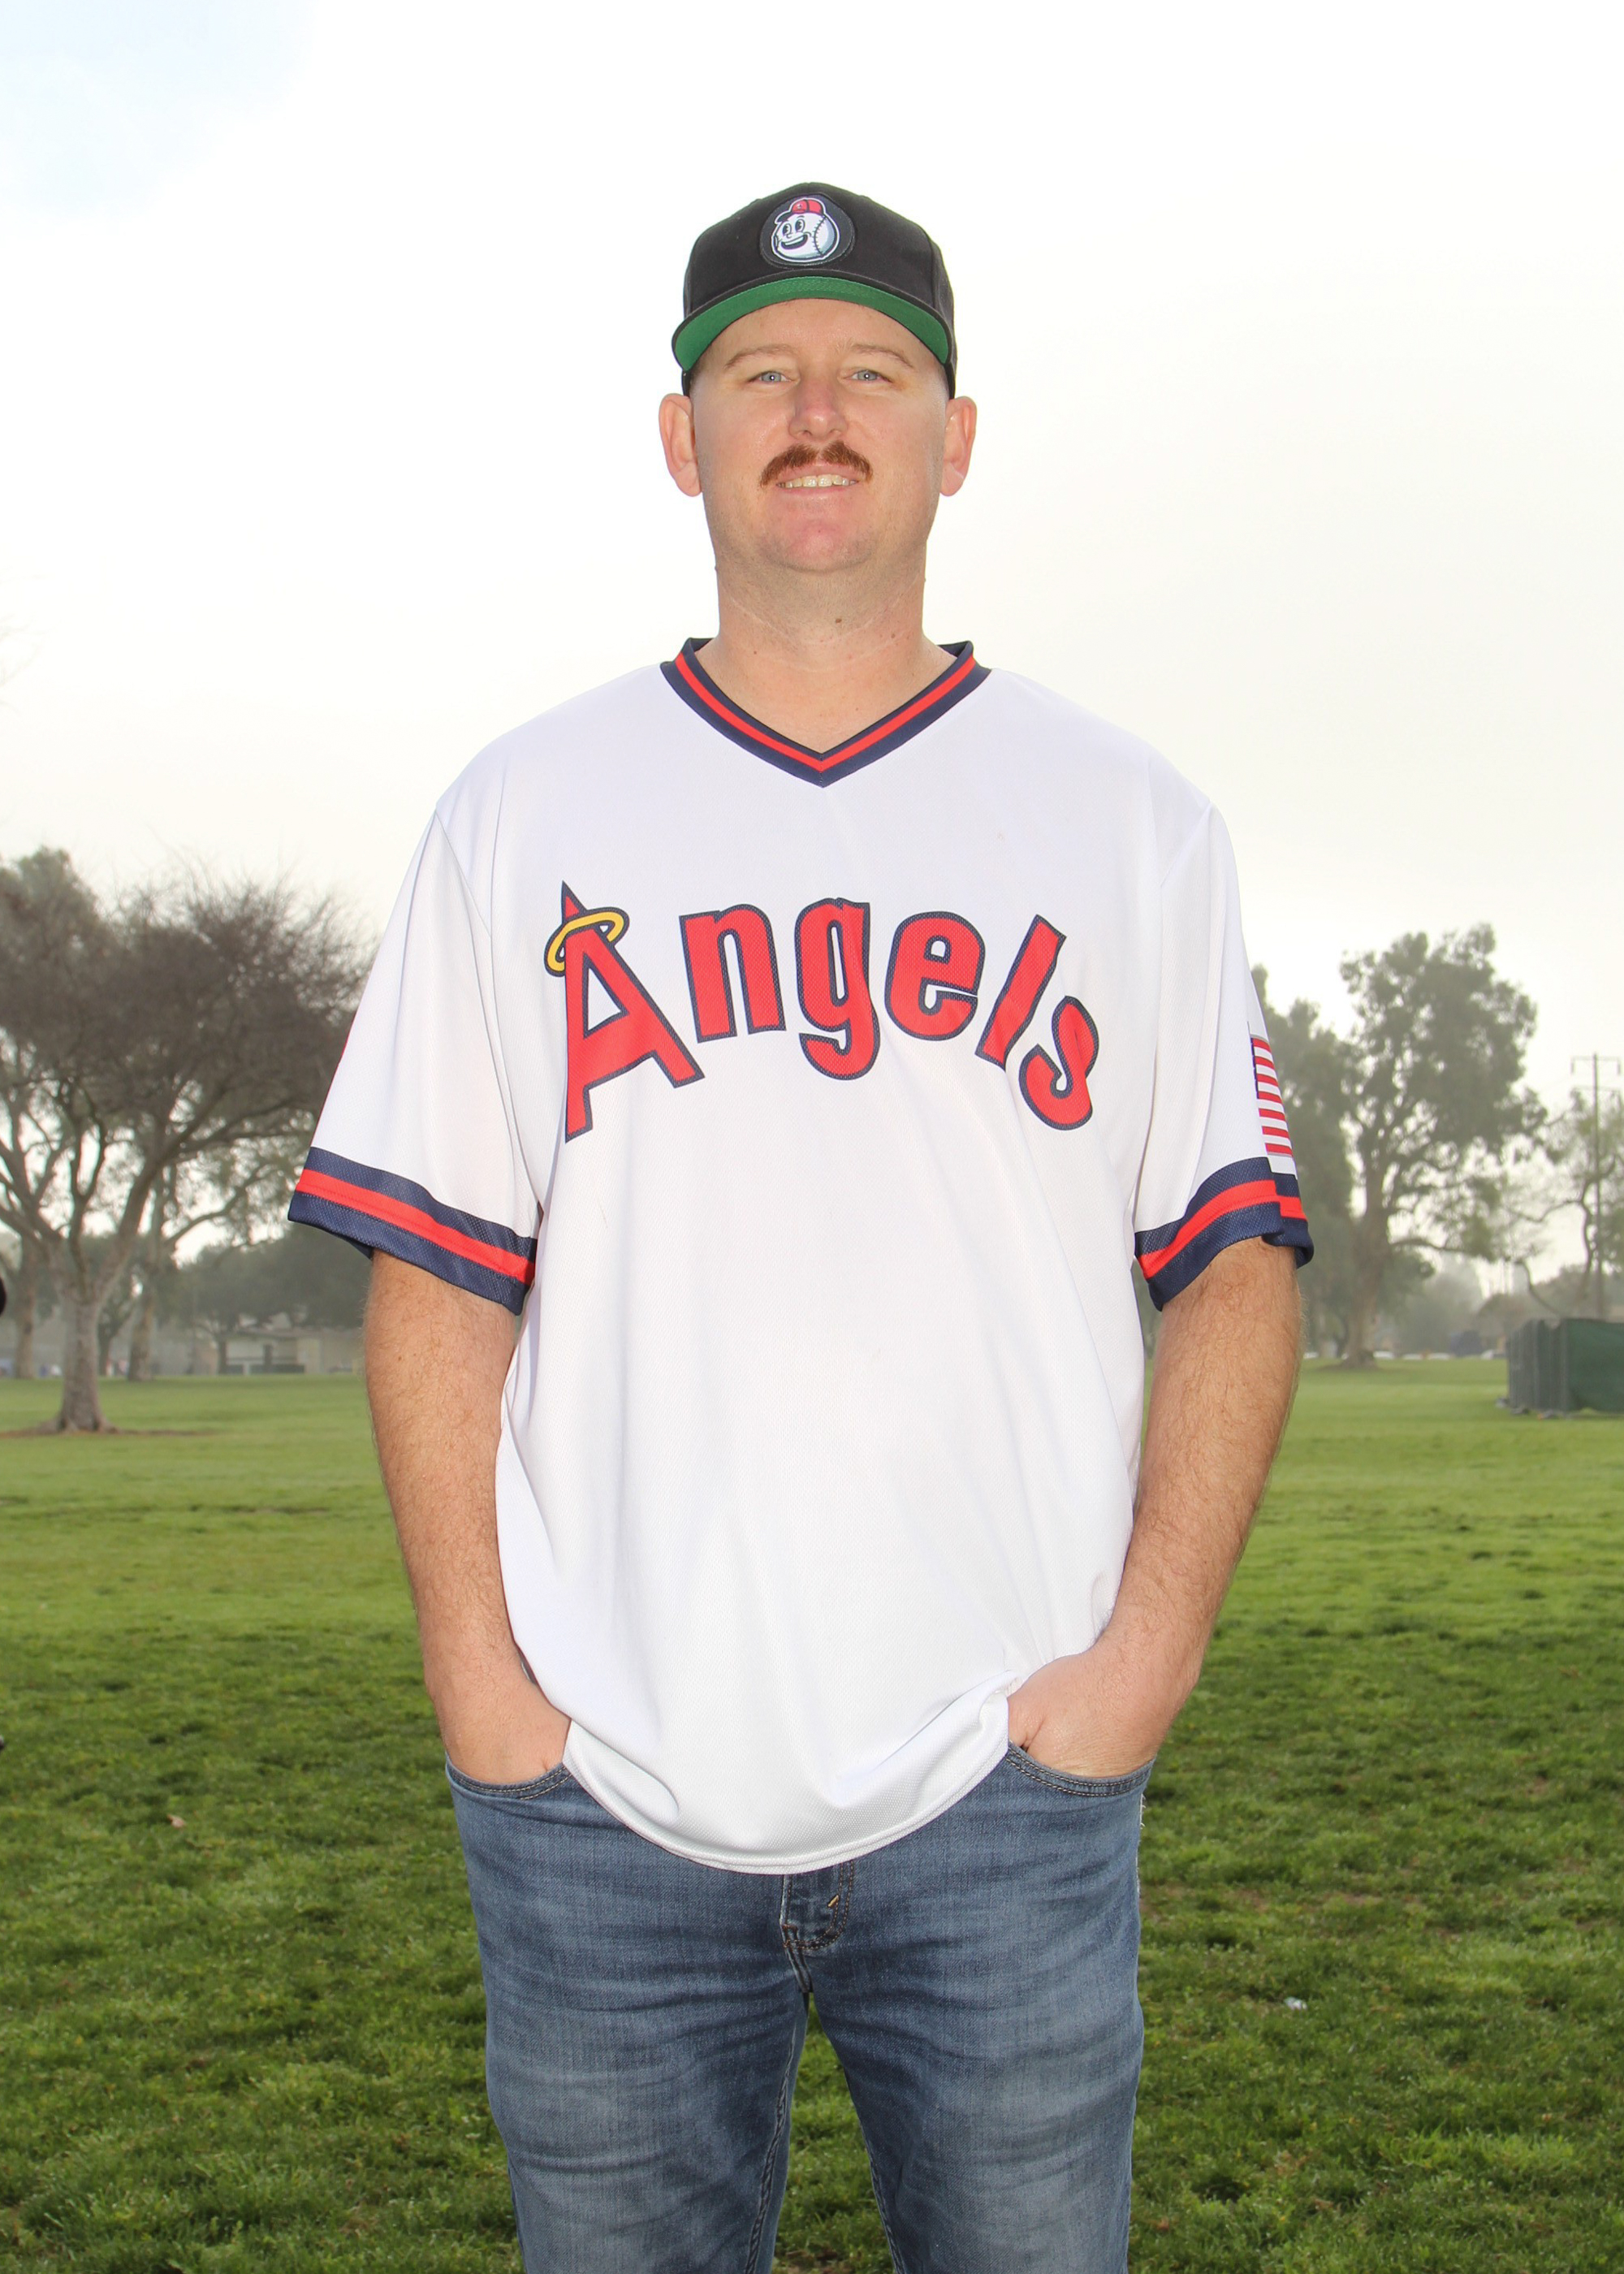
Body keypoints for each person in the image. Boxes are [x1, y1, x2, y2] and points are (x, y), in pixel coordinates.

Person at [292, 182, 1309, 2274]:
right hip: (601, 1800)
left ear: (958, 434)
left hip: (1008, 1789)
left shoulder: (1131, 819)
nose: (817, 415)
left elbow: (1232, 1259)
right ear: (683, 439)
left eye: (873, 371)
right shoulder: (520, 811)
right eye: (760, 373)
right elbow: (441, 1279)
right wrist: (485, 1687)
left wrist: (1145, 1661)